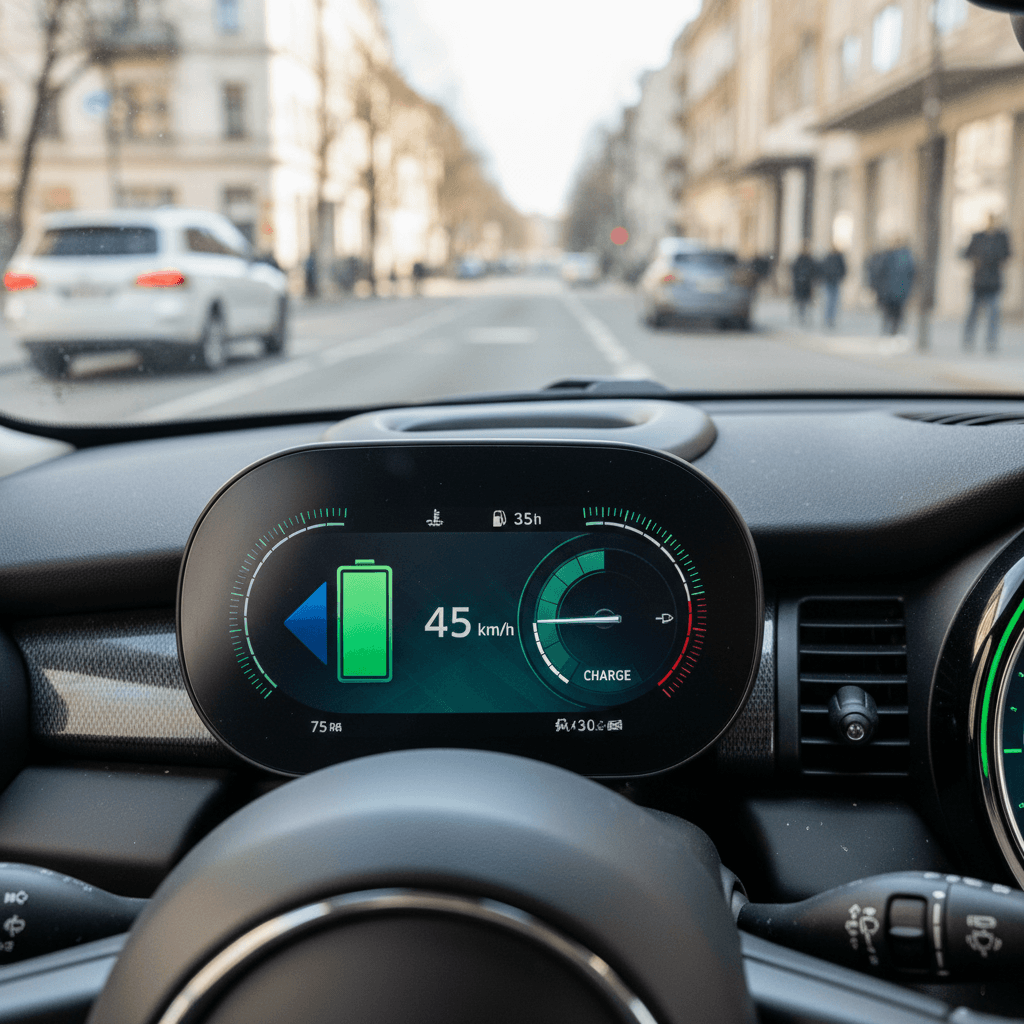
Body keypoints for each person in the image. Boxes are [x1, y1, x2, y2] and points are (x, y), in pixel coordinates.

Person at [962, 213, 1012, 352]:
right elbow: (967, 254)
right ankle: (968, 339)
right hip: (978, 281)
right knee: (973, 313)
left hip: (994, 281)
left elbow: (1007, 255)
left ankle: (991, 341)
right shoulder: (978, 237)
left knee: (994, 313)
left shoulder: (1001, 238)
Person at [873, 239, 915, 336]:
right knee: (898, 310)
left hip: (890, 288)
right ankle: (895, 328)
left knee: (889, 309)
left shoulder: (889, 256)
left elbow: (880, 271)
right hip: (902, 289)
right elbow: (912, 273)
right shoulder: (908, 257)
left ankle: (888, 327)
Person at [819, 245, 847, 329]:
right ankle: (828, 318)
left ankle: (831, 318)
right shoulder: (829, 258)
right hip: (829, 281)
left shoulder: (838, 258)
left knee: (832, 302)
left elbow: (843, 269)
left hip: (835, 281)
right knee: (829, 301)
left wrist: (840, 277)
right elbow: (823, 268)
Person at [790, 242, 816, 324]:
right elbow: (794, 270)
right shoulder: (799, 259)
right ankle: (800, 315)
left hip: (806, 284)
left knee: (805, 301)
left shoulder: (809, 259)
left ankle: (804, 316)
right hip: (799, 283)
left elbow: (813, 271)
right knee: (800, 301)